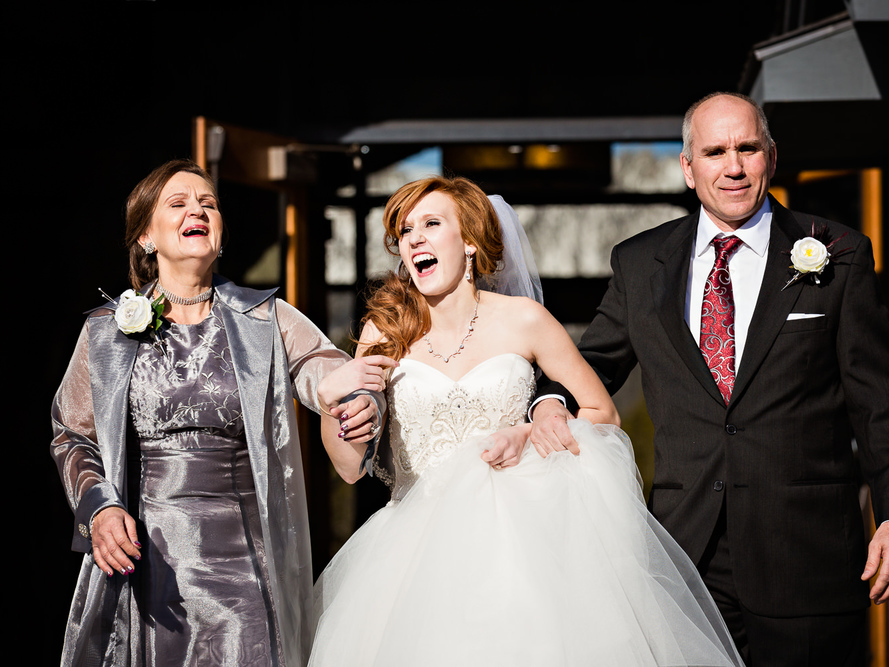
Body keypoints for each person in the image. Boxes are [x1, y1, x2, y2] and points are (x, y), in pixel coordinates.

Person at [530, 92, 889, 666]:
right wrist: (548, 403)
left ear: (771, 156)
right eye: (715, 152)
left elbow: (881, 401)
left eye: (747, 148)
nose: (733, 167)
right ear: (689, 168)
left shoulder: (838, 253)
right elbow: (592, 366)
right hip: (685, 556)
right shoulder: (641, 264)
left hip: (807, 557)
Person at [306, 176, 744, 666]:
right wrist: (332, 402)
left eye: (432, 223)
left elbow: (604, 414)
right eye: (406, 231)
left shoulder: (525, 320)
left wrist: (530, 430)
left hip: (525, 549)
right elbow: (349, 467)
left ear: (470, 241)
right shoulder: (384, 331)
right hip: (414, 559)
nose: (416, 239)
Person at [51, 159, 390, 666]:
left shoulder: (266, 317)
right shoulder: (105, 332)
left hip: (245, 563)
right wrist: (99, 508)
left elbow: (326, 373)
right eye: (180, 203)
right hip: (148, 561)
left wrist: (352, 398)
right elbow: (73, 435)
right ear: (147, 235)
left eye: (208, 203)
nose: (199, 210)